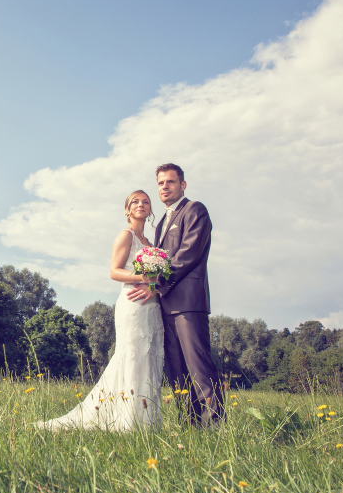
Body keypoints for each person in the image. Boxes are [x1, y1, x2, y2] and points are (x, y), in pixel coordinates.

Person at [33, 190, 164, 431]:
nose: (141, 205)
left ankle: (147, 421)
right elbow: (114, 271)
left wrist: (154, 286)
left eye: (145, 202)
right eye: (135, 201)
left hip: (152, 307)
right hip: (133, 303)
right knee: (132, 357)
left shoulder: (151, 245)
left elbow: (158, 279)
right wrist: (143, 276)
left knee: (150, 358)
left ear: (150, 210)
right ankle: (127, 421)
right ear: (127, 210)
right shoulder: (126, 236)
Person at [127, 163, 224, 426]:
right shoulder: (159, 225)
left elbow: (188, 254)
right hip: (165, 305)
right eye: (160, 183)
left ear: (182, 185)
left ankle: (215, 426)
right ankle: (189, 424)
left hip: (189, 303)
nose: (165, 187)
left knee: (199, 366)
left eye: (170, 182)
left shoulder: (195, 210)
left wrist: (155, 283)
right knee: (177, 370)